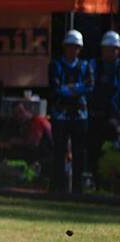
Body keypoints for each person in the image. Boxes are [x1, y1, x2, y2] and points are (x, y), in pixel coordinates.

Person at [49, 29, 93, 194]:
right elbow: (56, 89)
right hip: (60, 115)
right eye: (69, 46)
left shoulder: (85, 66)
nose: (72, 50)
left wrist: (69, 89)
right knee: (59, 151)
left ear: (79, 49)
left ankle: (77, 188)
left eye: (75, 47)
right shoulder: (56, 65)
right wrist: (76, 89)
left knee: (79, 152)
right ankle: (57, 187)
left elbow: (89, 86)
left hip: (80, 115)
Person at [88, 31, 120, 187]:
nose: (108, 52)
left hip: (114, 118)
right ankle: (97, 183)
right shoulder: (95, 66)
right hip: (96, 116)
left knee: (114, 151)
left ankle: (113, 186)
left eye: (112, 49)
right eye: (106, 49)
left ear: (117, 50)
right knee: (94, 150)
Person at [9, 102, 53, 168]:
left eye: (16, 115)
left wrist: (17, 141)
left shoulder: (37, 121)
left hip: (46, 158)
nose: (16, 119)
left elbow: (33, 144)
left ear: (23, 111)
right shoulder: (27, 123)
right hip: (42, 156)